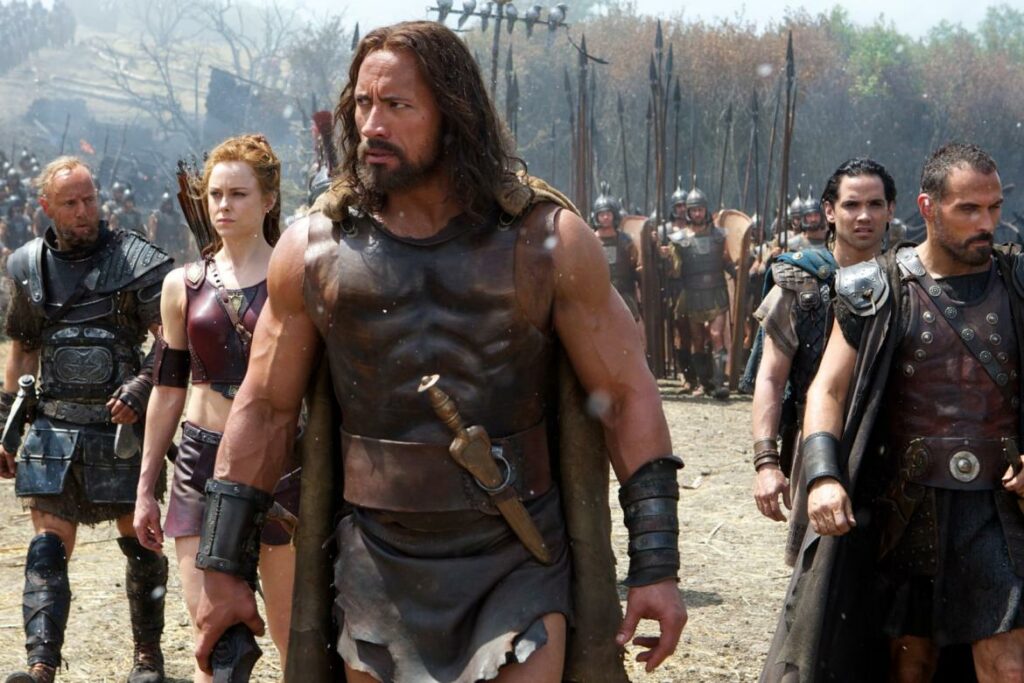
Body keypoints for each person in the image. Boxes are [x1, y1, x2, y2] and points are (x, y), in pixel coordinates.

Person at [191, 21, 686, 683]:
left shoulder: (545, 240)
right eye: (363, 104)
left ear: (453, 113)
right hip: (376, 555)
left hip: (518, 548)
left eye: (397, 105)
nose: (372, 125)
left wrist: (657, 564)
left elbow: (625, 396)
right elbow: (265, 408)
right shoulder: (315, 250)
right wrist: (223, 564)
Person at [762, 142, 1024, 681]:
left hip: (1000, 508)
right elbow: (828, 390)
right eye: (969, 209)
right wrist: (824, 476)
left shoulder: (1017, 282)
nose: (987, 224)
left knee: (1006, 661)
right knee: (910, 665)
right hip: (904, 508)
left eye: (994, 208)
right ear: (928, 207)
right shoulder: (875, 288)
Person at [132, 135, 299, 682]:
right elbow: (167, 390)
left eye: (239, 194)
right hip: (200, 462)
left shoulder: (296, 279)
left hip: (279, 464)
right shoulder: (181, 285)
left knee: (292, 637)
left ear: (268, 200)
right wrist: (146, 487)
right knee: (213, 644)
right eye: (216, 195)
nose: (223, 206)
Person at [0, 157, 173, 683]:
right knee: (46, 549)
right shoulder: (29, 266)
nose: (83, 211)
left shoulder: (134, 260)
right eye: (70, 203)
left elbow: (172, 338)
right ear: (46, 207)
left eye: (89, 199)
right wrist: (5, 426)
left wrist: (142, 387)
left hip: (121, 431)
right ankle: (41, 664)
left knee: (140, 544)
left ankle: (147, 658)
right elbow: (23, 349)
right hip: (54, 430)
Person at [750, 158, 894, 567]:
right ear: (829, 211)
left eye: (875, 204)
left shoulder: (907, 283)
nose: (864, 216)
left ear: (890, 210)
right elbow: (770, 379)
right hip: (817, 447)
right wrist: (766, 463)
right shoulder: (799, 284)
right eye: (851, 205)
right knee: (817, 577)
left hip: (890, 446)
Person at [662, 181, 736, 399]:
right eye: (693, 210)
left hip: (716, 290)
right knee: (697, 340)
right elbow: (675, 272)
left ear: (706, 210)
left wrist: (740, 270)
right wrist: (665, 258)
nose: (697, 213)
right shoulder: (680, 239)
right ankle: (704, 384)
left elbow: (727, 261)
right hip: (693, 292)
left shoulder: (719, 236)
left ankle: (719, 383)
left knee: (716, 335)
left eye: (700, 209)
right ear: (688, 212)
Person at [592, 181, 642, 324]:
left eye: (608, 214)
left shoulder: (625, 241)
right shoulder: (591, 240)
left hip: (624, 294)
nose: (605, 217)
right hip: (599, 296)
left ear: (614, 215)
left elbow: (635, 265)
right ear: (596, 216)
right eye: (602, 214)